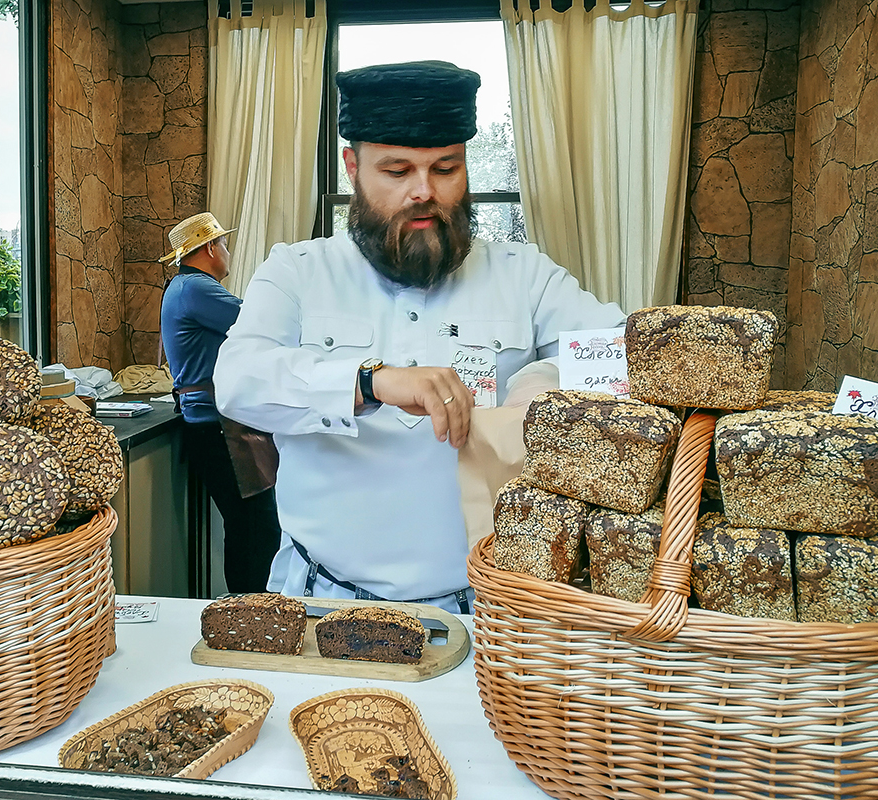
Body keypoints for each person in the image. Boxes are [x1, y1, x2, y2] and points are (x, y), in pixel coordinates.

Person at [213, 61, 625, 614]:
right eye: (398, 171)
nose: (423, 192)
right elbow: (237, 381)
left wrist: (544, 381)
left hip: (493, 610)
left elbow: (627, 355)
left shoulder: (524, 275)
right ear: (353, 168)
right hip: (323, 601)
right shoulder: (299, 271)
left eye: (445, 169)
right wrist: (370, 380)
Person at [158, 212, 281, 594]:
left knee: (251, 526)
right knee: (254, 527)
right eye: (224, 244)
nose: (227, 251)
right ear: (209, 247)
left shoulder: (183, 287)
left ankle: (249, 610)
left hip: (216, 424)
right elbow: (256, 321)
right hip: (220, 427)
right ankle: (250, 612)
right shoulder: (196, 288)